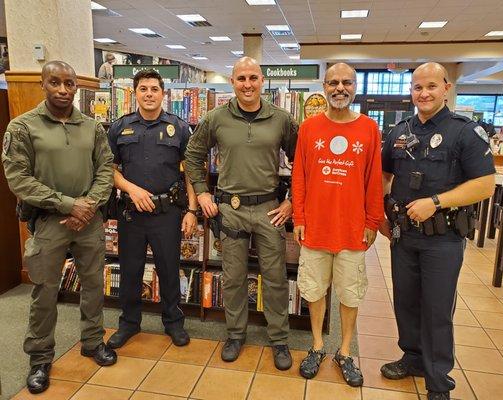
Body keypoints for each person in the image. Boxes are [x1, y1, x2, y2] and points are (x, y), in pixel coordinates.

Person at [379, 63, 495, 400]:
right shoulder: (399, 131)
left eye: (431, 86)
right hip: (403, 236)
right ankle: (412, 358)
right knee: (406, 302)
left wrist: (436, 201)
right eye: (417, 87)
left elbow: (485, 185)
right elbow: (385, 176)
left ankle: (438, 379)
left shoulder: (465, 132)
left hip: (443, 237)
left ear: (446, 87)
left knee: (437, 308)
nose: (424, 93)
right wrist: (382, 214)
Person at [1, 61, 117, 394]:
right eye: (55, 83)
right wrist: (69, 204)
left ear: (77, 86)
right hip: (49, 221)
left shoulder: (92, 127)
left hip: (89, 221)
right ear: (43, 84)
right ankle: (39, 358)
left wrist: (88, 205)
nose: (63, 90)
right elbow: (18, 180)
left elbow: (105, 170)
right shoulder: (23, 127)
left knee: (94, 285)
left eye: (69, 83)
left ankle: (93, 342)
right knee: (45, 292)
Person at [185, 57, 298, 370]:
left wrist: (292, 201)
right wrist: (202, 192)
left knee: (275, 279)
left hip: (269, 209)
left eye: (253, 78)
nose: (247, 84)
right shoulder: (215, 118)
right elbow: (193, 155)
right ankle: (235, 334)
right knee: (233, 278)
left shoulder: (281, 119)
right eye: (241, 79)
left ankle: (279, 340)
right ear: (232, 82)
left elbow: (303, 160)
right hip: (230, 210)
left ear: (262, 81)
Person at [292, 63, 384, 386]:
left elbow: (374, 180)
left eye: (346, 82)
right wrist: (299, 217)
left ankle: (344, 351)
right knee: (314, 290)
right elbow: (298, 178)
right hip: (315, 228)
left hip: (352, 229)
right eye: (333, 82)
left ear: (355, 87)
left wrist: (373, 220)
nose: (339, 88)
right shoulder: (309, 128)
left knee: (350, 294)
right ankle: (317, 346)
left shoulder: (369, 129)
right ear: (324, 86)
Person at [106, 69, 197, 349]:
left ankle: (173, 323)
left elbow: (191, 171)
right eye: (143, 89)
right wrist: (130, 188)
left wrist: (192, 210)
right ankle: (129, 324)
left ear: (163, 93)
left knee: (169, 269)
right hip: (131, 213)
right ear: (135, 93)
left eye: (154, 89)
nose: (149, 94)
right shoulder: (119, 128)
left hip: (166, 213)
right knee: (130, 270)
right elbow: (108, 169)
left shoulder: (179, 128)